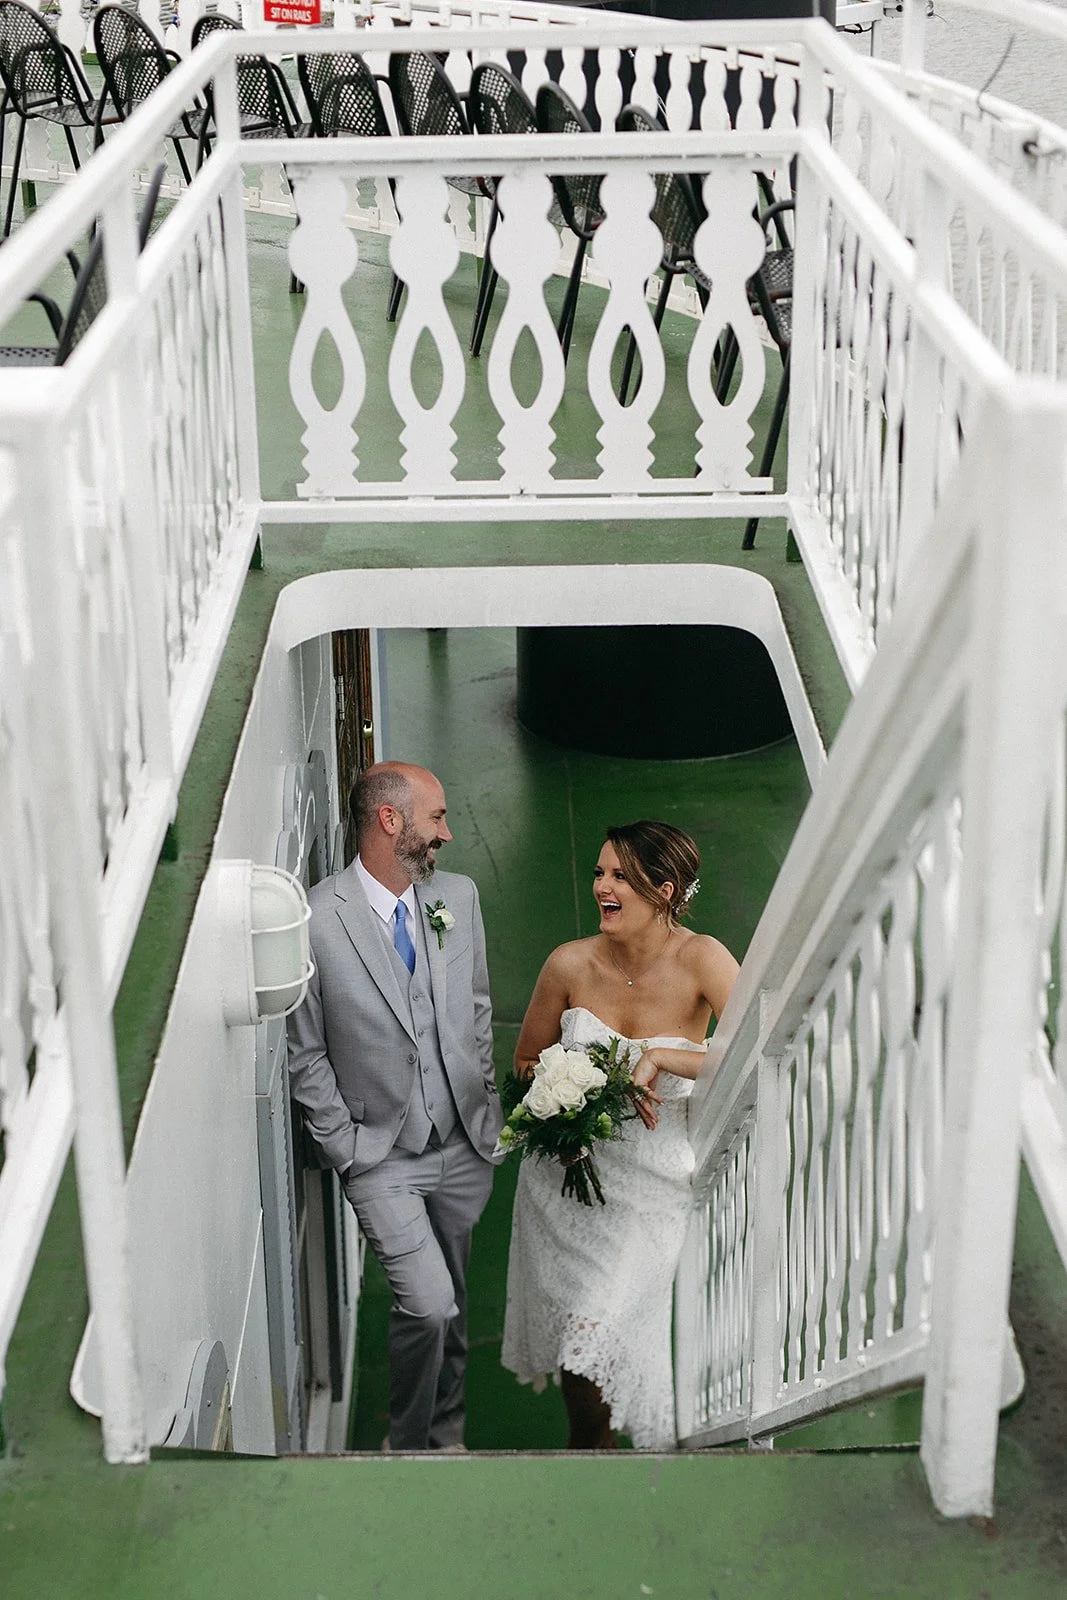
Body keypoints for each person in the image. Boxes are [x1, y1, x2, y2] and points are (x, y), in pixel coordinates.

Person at [501, 820, 739, 1451]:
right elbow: (527, 1061)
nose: (602, 887)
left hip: (654, 1184)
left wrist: (666, 1059)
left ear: (663, 892)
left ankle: (610, 1442)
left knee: (602, 1321)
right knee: (580, 1337)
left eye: (620, 878)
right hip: (568, 1185)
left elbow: (751, 1051)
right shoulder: (569, 963)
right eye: (600, 872)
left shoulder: (703, 959)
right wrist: (566, 1099)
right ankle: (592, 1445)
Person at [287, 761, 502, 1452]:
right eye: (435, 818)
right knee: (428, 1304)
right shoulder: (318, 919)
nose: (445, 833)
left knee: (456, 1309)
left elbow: (474, 1008)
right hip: (380, 1153)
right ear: (390, 821)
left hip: (460, 1140)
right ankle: (406, 1444)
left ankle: (448, 1432)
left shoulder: (456, 898)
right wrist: (344, 1143)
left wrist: (486, 1109)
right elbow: (304, 1050)